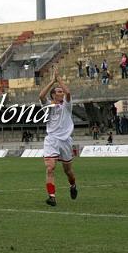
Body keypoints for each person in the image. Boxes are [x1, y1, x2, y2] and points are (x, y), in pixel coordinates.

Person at [38, 68, 78, 207]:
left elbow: (69, 93)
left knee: (68, 171)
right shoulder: (48, 106)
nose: (62, 93)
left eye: (62, 91)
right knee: (50, 168)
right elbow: (41, 96)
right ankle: (52, 197)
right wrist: (52, 81)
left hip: (65, 141)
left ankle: (73, 185)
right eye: (59, 91)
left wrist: (59, 79)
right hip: (52, 140)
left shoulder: (67, 105)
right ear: (53, 95)